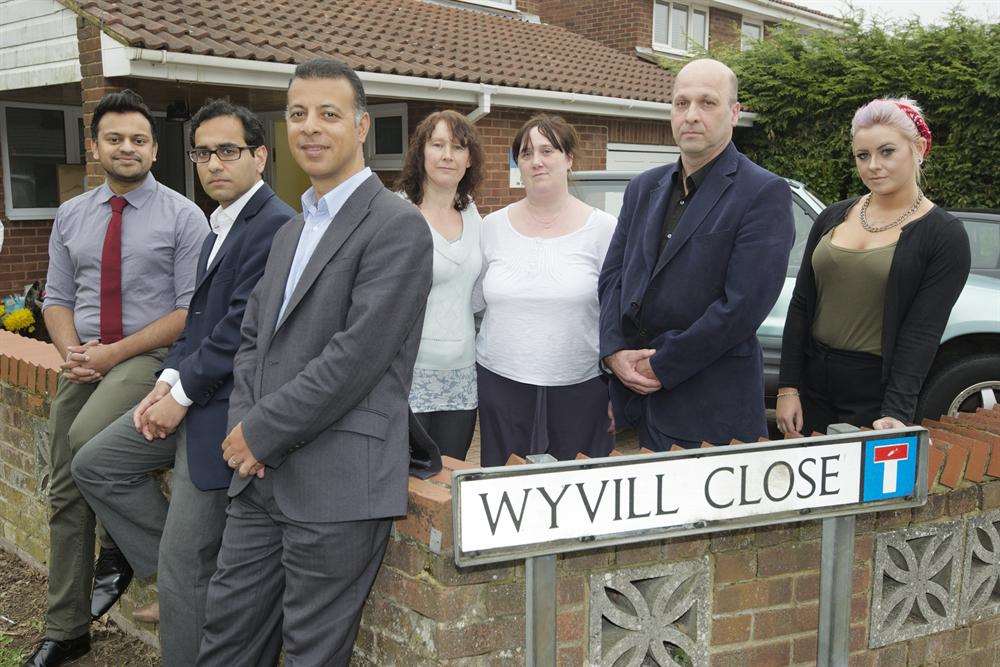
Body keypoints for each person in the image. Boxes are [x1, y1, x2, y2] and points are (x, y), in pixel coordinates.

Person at [195, 59, 432, 665]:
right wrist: (245, 434)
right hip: (258, 479)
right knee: (225, 639)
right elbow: (252, 344)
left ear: (361, 126)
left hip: (338, 484)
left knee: (310, 654)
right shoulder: (290, 230)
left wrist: (262, 433)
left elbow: (356, 358)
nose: (310, 127)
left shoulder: (397, 226)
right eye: (298, 114)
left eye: (329, 113)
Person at [70, 100, 295, 665]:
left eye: (229, 151)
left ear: (260, 156)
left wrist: (183, 395)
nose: (215, 163)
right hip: (189, 393)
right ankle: (182, 571)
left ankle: (184, 579)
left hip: (225, 415)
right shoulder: (219, 219)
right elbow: (198, 323)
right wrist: (165, 381)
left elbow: (240, 329)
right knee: (95, 464)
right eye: (203, 153)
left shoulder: (275, 226)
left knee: (183, 566)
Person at [27, 90, 207, 667]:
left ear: (154, 150)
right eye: (114, 138)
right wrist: (73, 351)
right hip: (84, 359)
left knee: (86, 446)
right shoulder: (72, 215)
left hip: (146, 360)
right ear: (95, 146)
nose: (126, 148)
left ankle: (139, 557)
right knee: (62, 490)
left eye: (138, 139)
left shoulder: (183, 215)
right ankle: (67, 627)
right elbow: (55, 297)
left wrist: (111, 356)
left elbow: (187, 312)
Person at [598, 58, 794, 450]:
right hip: (631, 406)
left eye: (707, 103)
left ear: (734, 113)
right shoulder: (643, 187)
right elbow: (613, 277)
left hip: (710, 412)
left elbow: (741, 308)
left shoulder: (763, 193)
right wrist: (613, 352)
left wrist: (660, 364)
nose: (690, 115)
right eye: (681, 103)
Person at [776, 98, 970, 437]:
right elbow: (802, 303)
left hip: (874, 392)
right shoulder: (833, 216)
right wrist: (788, 387)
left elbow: (921, 334)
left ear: (919, 148)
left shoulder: (943, 235)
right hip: (811, 382)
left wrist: (896, 411)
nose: (873, 166)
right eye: (863, 156)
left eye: (887, 152)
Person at [475, 114, 616, 467]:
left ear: (569, 159)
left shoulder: (604, 229)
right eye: (526, 153)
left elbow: (617, 315)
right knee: (504, 496)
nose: (536, 161)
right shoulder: (491, 227)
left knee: (579, 495)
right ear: (518, 164)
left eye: (547, 150)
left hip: (581, 388)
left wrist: (619, 393)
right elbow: (475, 304)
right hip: (502, 385)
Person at [397, 110, 484, 461]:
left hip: (462, 377)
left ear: (468, 160)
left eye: (458, 147)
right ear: (421, 154)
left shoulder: (473, 215)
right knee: (407, 488)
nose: (447, 155)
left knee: (450, 483)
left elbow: (477, 297)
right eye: (437, 145)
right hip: (408, 378)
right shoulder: (398, 214)